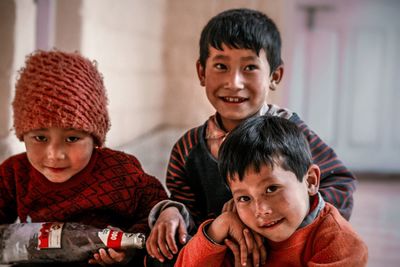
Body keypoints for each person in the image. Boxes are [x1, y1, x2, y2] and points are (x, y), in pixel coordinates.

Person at [146, 8, 356, 265]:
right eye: (221, 66)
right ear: (202, 72)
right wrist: (172, 212)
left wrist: (274, 220)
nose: (234, 82)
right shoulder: (188, 148)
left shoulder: (290, 133)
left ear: (274, 76)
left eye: (249, 67)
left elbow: (340, 185)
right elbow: (188, 208)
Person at [0, 50, 168, 266]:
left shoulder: (120, 171)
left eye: (71, 138)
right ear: (23, 135)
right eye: (40, 137)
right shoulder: (15, 173)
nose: (54, 154)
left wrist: (128, 248)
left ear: (95, 137)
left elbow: (157, 209)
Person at [174, 115, 368, 266]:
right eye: (244, 198)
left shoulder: (340, 243)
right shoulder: (242, 229)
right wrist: (217, 228)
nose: (261, 210)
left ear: (310, 181)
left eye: (272, 188)